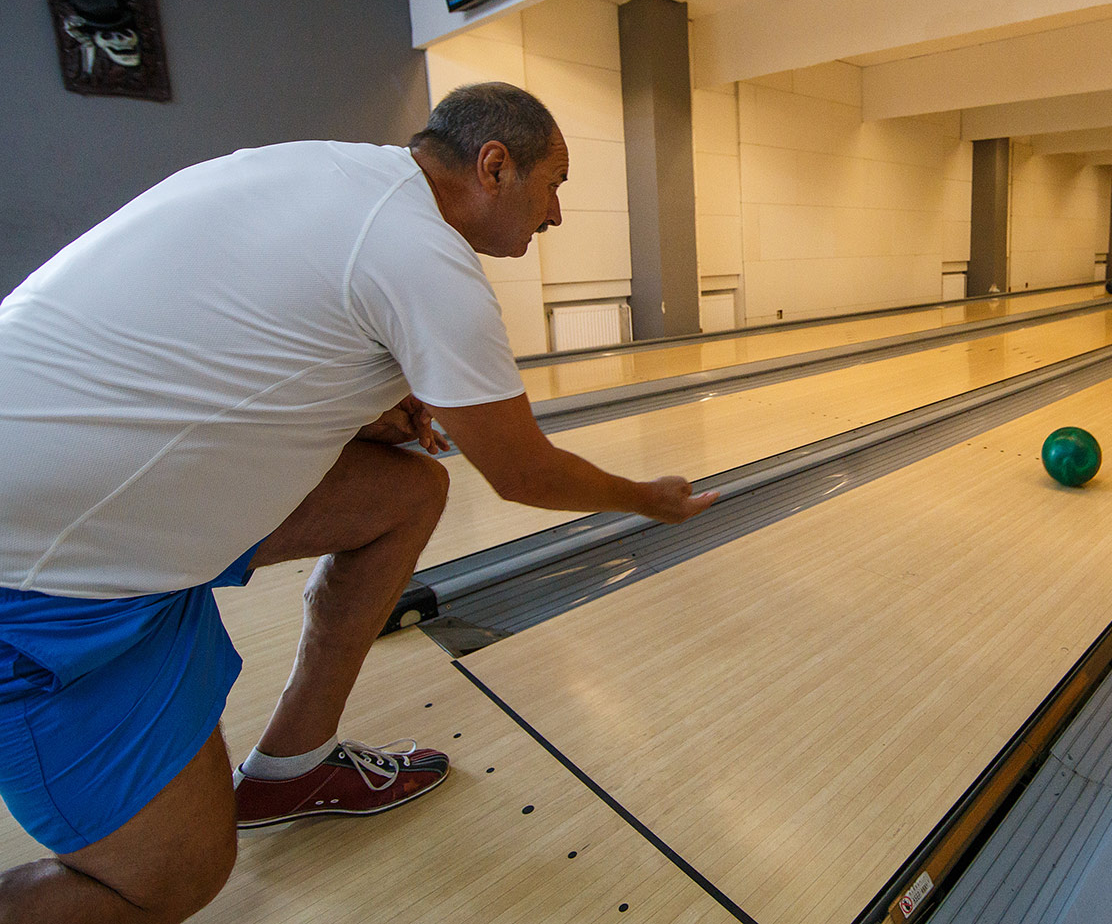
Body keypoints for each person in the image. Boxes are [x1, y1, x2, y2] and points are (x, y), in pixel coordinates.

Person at [0, 82, 715, 924]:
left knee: (404, 492)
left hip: (85, 488)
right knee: (172, 878)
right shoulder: (426, 257)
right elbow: (524, 474)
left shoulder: (325, 172)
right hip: (49, 573)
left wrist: (361, 413)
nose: (556, 213)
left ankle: (294, 766)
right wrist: (645, 498)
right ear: (494, 166)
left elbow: (228, 345)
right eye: (554, 185)